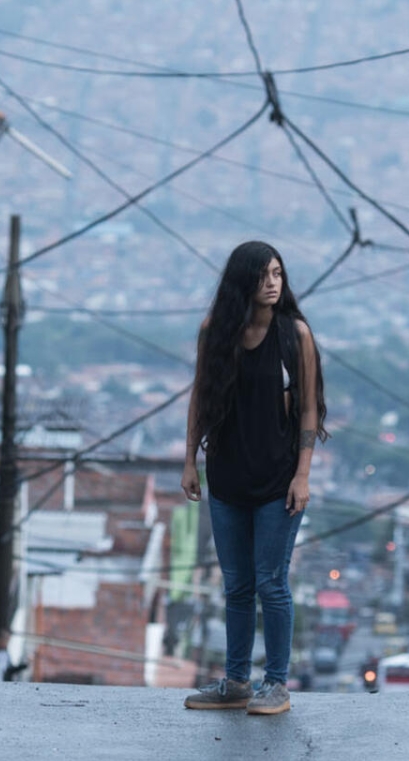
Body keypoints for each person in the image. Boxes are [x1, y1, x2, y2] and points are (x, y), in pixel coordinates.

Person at [181, 241, 328, 715]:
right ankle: (237, 681)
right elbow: (200, 399)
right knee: (237, 585)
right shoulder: (215, 331)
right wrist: (189, 460)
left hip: (278, 481)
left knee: (271, 582)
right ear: (243, 280)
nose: (272, 283)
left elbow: (309, 408)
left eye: (279, 274)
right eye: (264, 275)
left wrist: (302, 476)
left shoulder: (294, 334)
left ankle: (277, 684)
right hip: (226, 478)